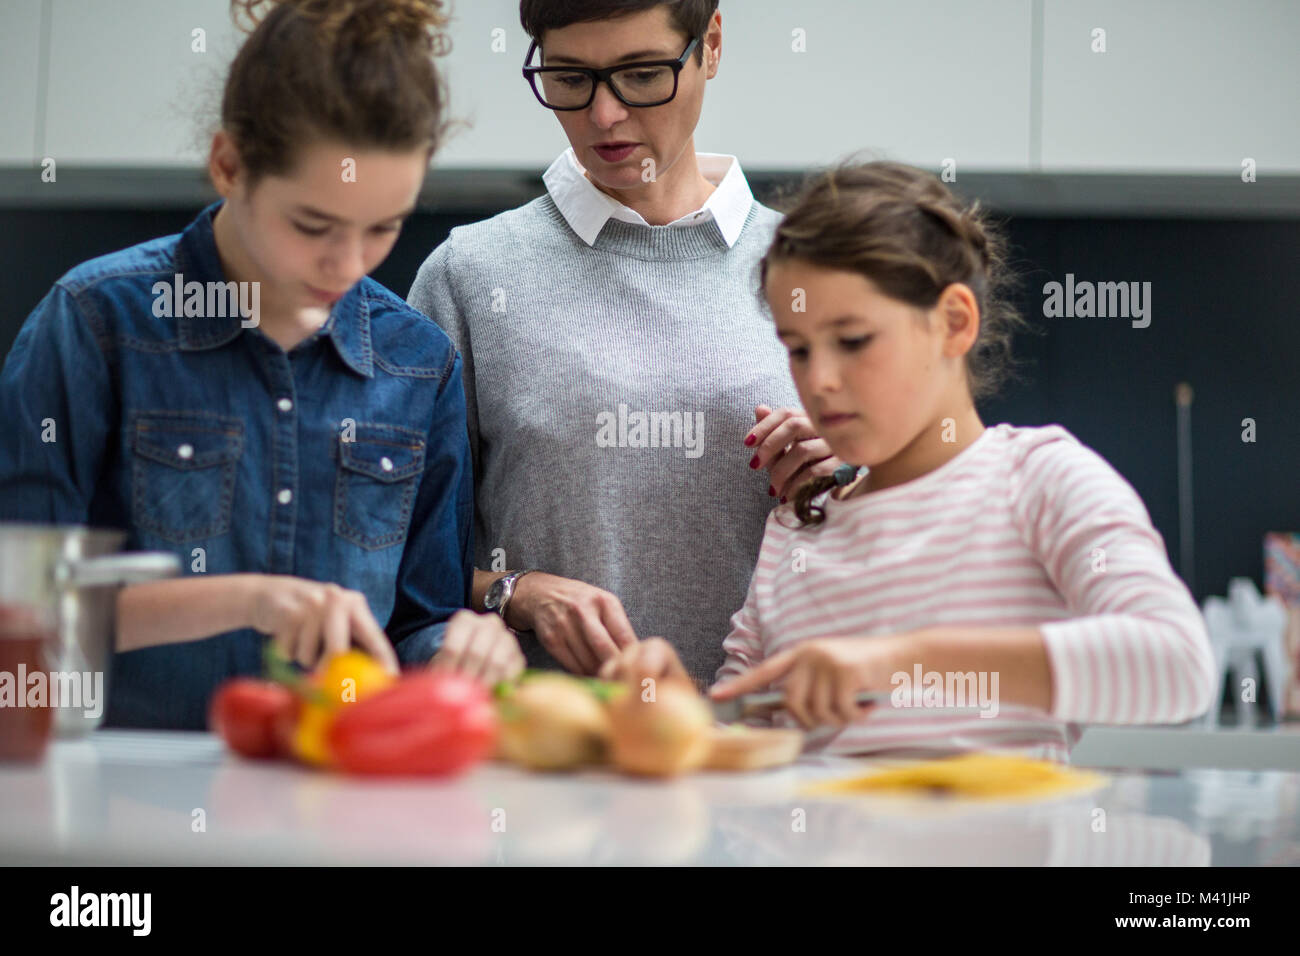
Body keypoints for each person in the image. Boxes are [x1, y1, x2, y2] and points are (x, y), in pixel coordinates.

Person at [0, 0, 522, 730]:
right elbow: (18, 617)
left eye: (383, 228)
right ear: (228, 165)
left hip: (329, 803)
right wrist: (248, 599)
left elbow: (413, 628)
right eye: (313, 225)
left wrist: (466, 646)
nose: (348, 264)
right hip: (119, 800)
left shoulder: (418, 363)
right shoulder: (94, 324)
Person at [603, 161, 1217, 761]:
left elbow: (1177, 665)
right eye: (798, 348)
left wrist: (897, 661)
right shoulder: (796, 528)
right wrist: (681, 711)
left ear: (953, 322)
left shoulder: (1038, 479)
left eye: (852, 341)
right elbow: (743, 729)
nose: (818, 381)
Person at [408, 0, 836, 683]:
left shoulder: (818, 273)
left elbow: (913, 536)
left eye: (640, 74)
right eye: (571, 79)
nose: (604, 116)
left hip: (763, 748)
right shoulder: (470, 274)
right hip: (541, 752)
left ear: (711, 45)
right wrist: (514, 593)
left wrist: (850, 482)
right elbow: (397, 560)